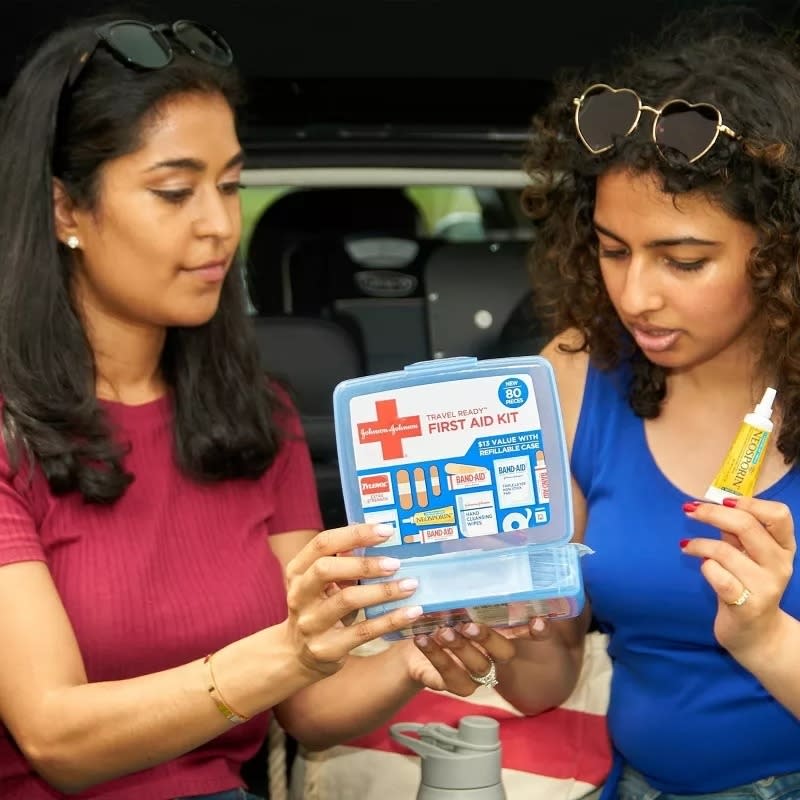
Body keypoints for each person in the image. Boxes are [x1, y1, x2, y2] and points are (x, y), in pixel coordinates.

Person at [0, 14, 506, 800]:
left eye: (231, 186)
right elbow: (57, 738)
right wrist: (290, 653)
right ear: (66, 210)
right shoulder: (9, 433)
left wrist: (414, 649)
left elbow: (308, 710)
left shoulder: (256, 418)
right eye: (174, 192)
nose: (219, 226)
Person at [412, 17, 800, 800]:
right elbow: (540, 685)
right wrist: (503, 612)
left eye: (684, 260)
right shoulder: (578, 376)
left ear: (783, 251)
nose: (634, 297)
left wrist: (765, 637)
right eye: (613, 249)